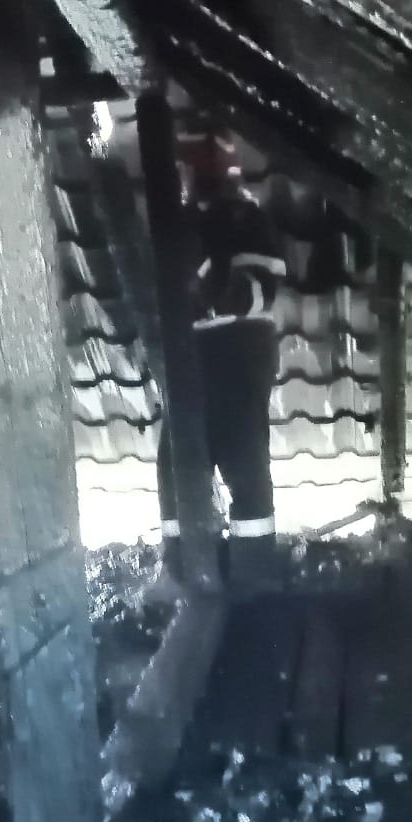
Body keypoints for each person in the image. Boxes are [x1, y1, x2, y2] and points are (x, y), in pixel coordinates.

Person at [154, 131, 287, 593]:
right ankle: (183, 572)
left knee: (242, 459)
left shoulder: (248, 220)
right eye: (192, 166)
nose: (196, 176)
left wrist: (203, 276)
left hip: (238, 353)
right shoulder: (181, 222)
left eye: (203, 164)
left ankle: (254, 574)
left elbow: (255, 294)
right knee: (177, 463)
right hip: (191, 354)